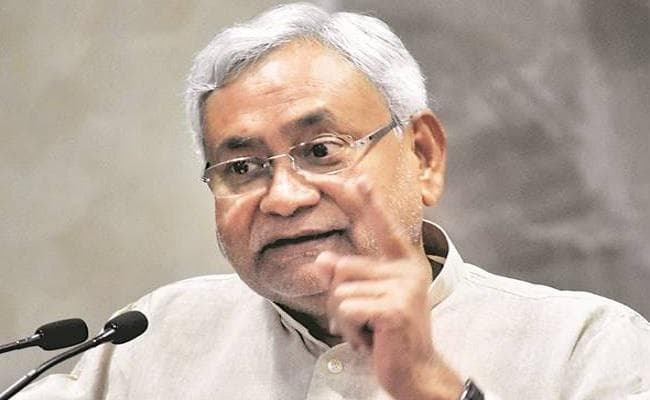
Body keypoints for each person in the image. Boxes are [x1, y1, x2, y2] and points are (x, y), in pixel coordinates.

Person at [13, 3, 650, 400]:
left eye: (321, 150)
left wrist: (431, 389)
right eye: (242, 167)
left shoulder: (585, 349)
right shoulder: (155, 338)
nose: (284, 198)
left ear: (423, 155)